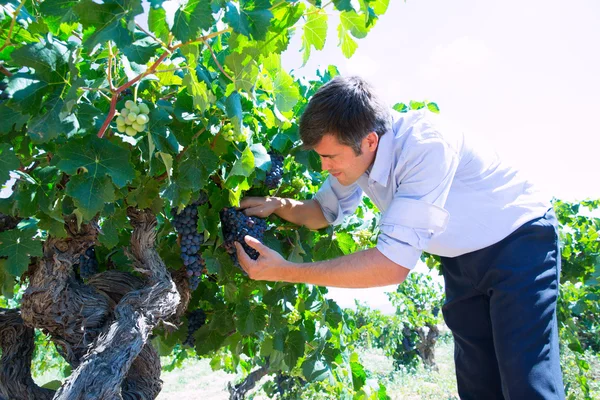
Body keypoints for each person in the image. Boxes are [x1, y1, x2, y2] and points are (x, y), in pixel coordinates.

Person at [233, 76, 565, 399]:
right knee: (478, 386)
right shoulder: (358, 152)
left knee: (526, 384)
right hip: (460, 258)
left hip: (519, 241)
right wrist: (277, 205)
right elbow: (322, 211)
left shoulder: (426, 145)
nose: (324, 166)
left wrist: (286, 271)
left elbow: (391, 267)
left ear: (369, 142)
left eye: (330, 157)